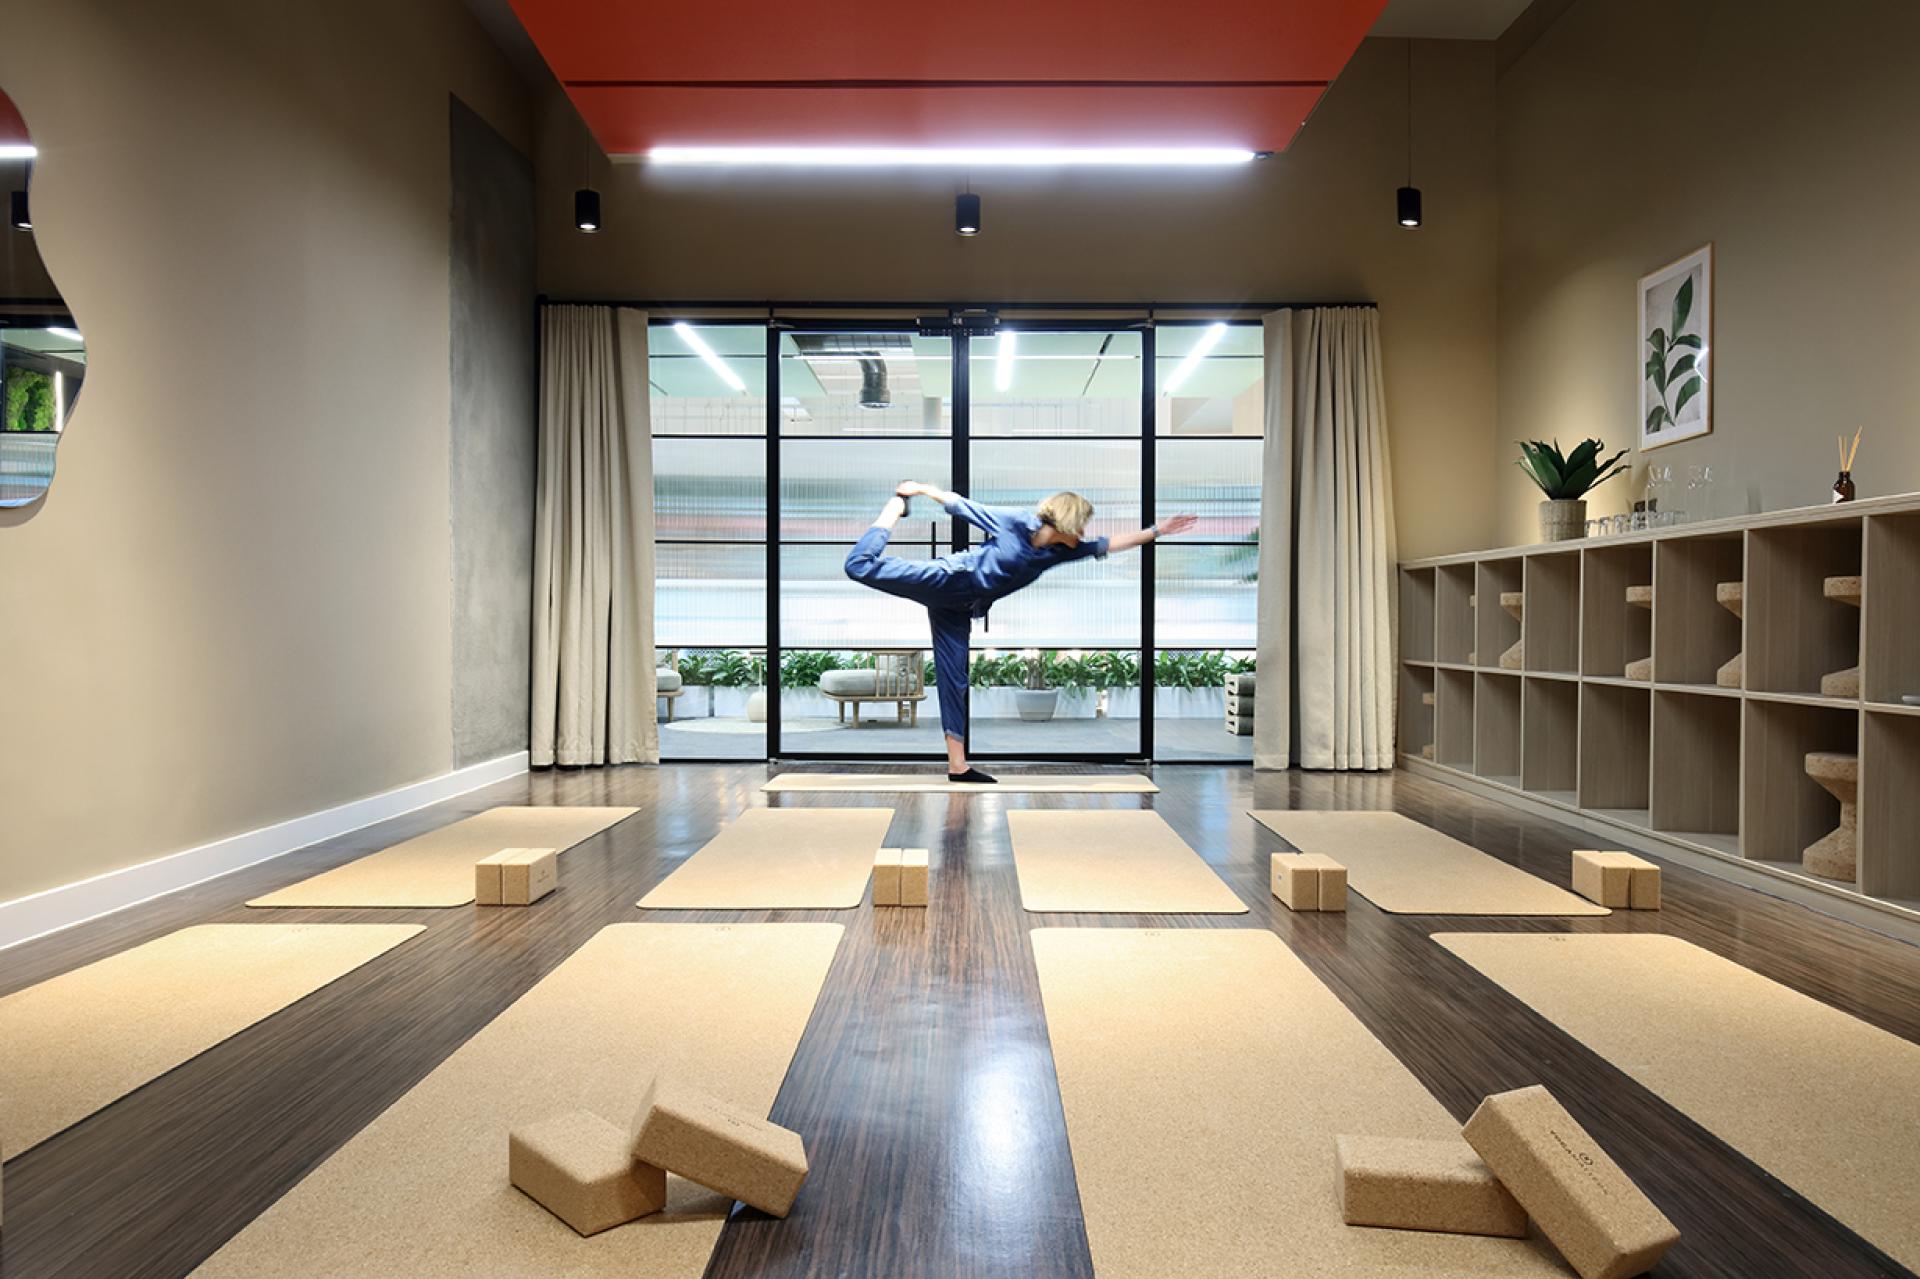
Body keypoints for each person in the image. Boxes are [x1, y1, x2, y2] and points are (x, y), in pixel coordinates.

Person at [844, 481, 1197, 783]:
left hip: (961, 607)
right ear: (1067, 520)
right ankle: (893, 510)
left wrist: (1158, 530)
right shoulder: (1015, 522)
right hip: (949, 579)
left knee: (955, 678)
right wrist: (920, 489)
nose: (1084, 533)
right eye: (1082, 525)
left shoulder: (1058, 552)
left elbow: (1110, 544)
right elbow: (961, 505)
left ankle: (957, 766)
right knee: (858, 566)